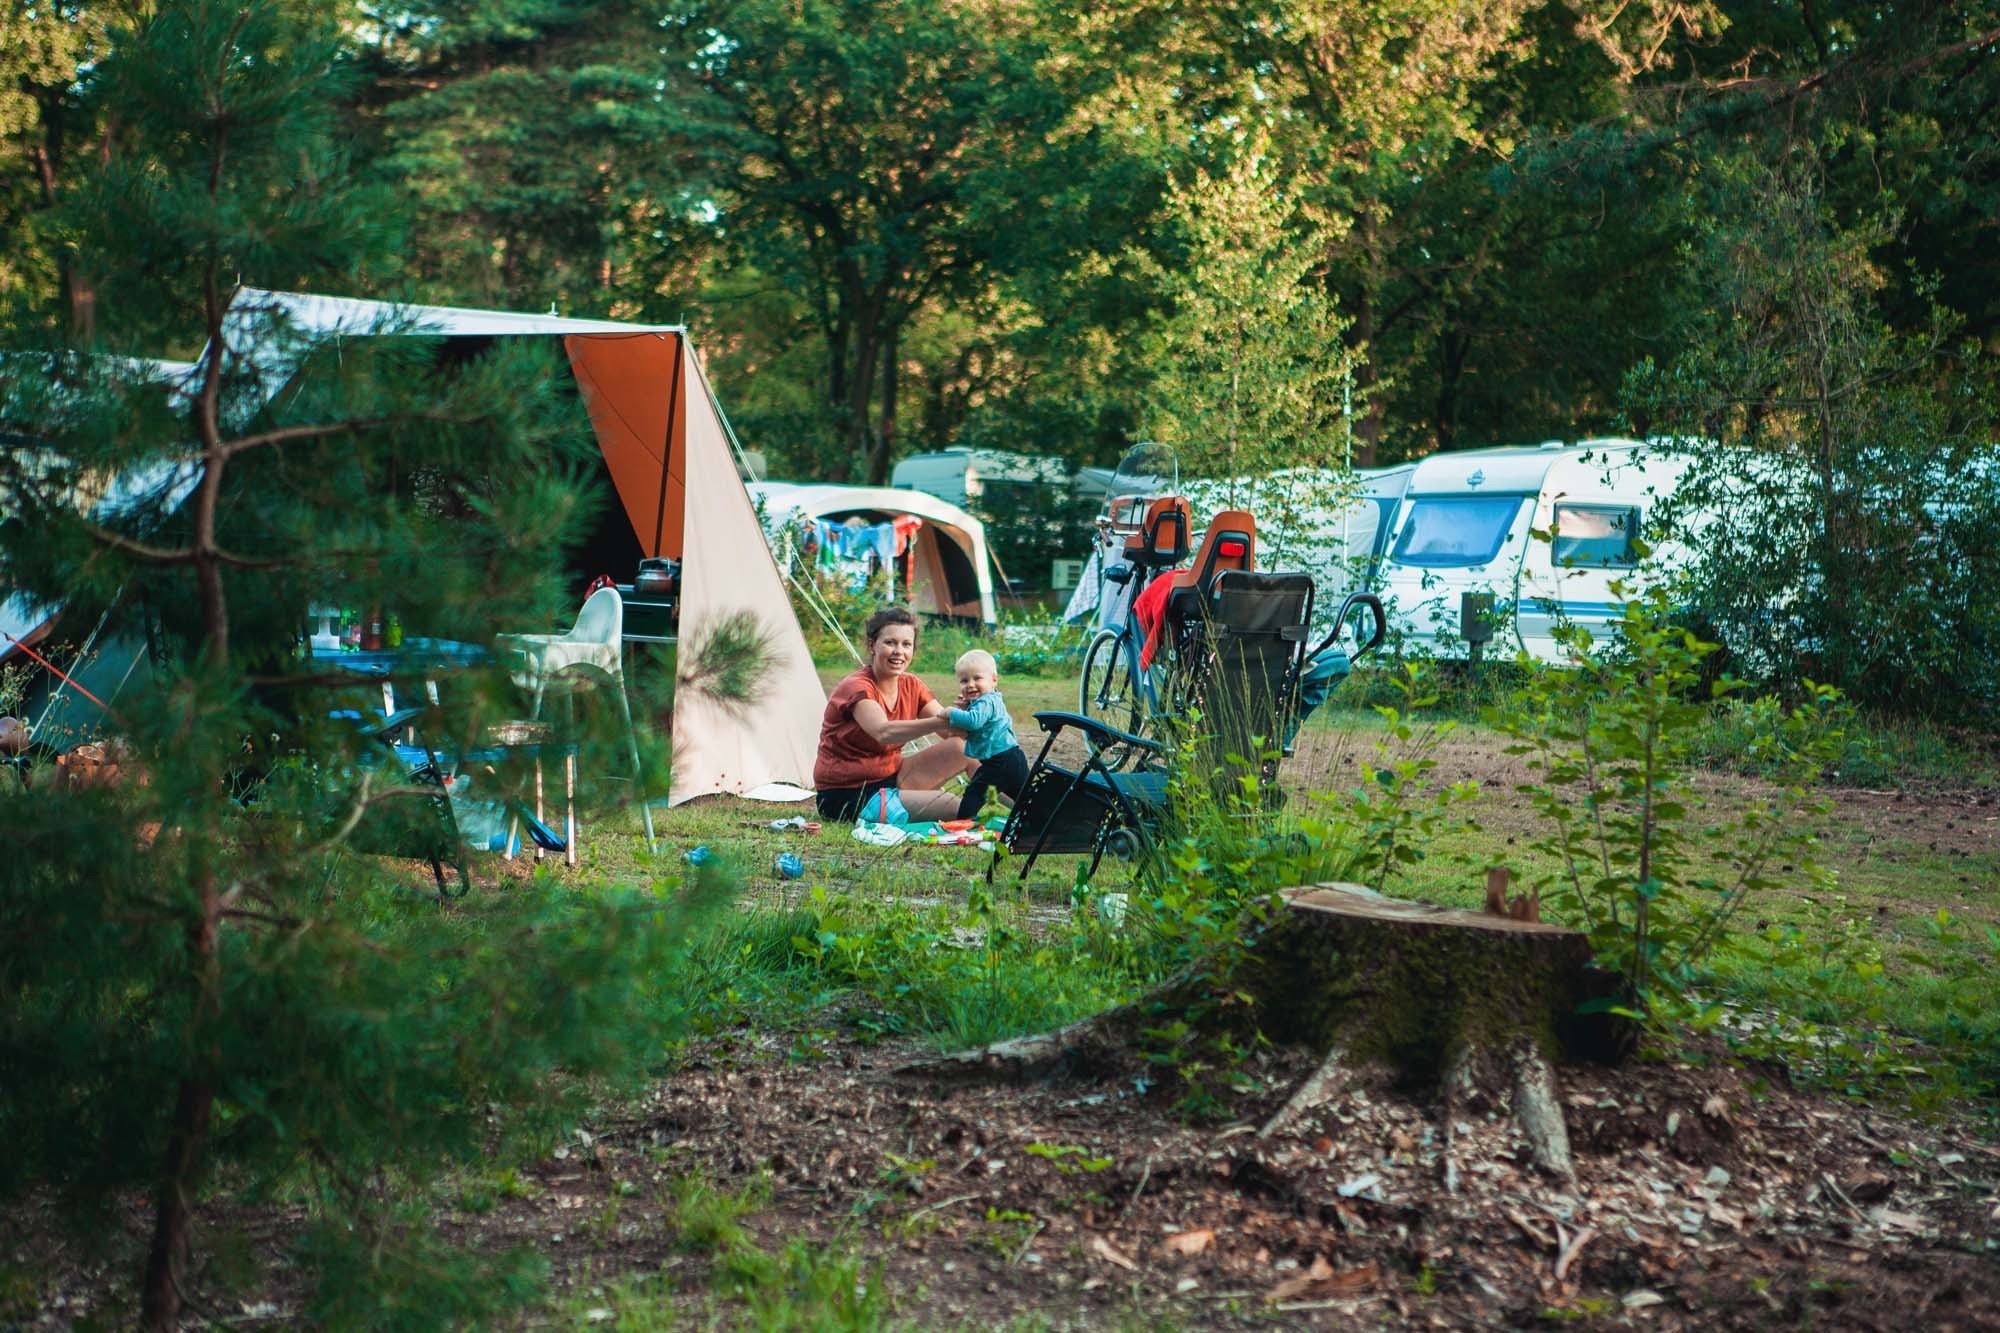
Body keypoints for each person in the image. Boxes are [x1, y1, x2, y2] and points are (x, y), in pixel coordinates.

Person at [814, 607, 977, 821]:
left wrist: (971, 716)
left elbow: (952, 733)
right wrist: (941, 721)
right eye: (890, 642)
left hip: (892, 776)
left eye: (906, 644)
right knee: (958, 808)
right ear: (873, 645)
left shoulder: (912, 685)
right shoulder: (856, 687)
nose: (899, 651)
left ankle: (1024, 810)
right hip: (847, 793)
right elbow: (883, 732)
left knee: (964, 749)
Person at [947, 649, 1028, 820]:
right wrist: (965, 708)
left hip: (999, 761)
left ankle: (962, 824)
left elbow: (973, 721)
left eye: (977, 678)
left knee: (975, 792)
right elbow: (978, 719)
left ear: (994, 680)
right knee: (1025, 797)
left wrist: (952, 713)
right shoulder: (989, 700)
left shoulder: (987, 700)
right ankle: (1042, 820)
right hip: (1012, 758)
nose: (970, 684)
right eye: (964, 680)